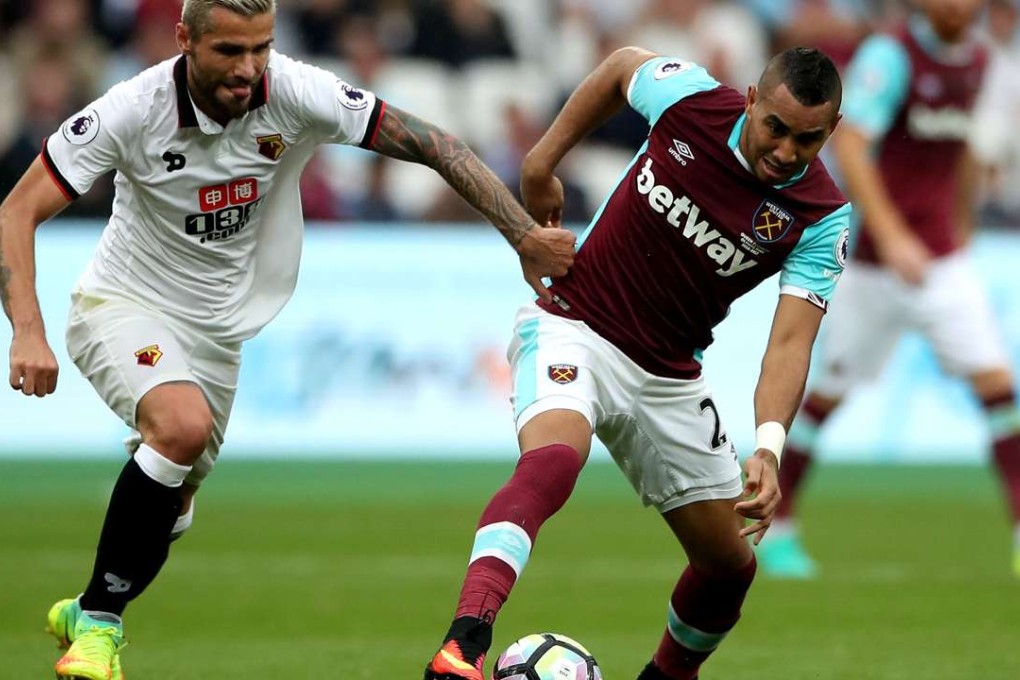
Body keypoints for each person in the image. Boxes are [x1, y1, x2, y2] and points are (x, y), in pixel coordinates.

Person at [0, 2, 577, 679]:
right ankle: (99, 630)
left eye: (261, 48)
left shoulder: (299, 91)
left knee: (174, 504)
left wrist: (520, 234)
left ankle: (91, 609)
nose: (248, 69)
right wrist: (27, 332)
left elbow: (434, 144)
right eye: (229, 52)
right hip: (124, 303)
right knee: (179, 430)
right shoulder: (132, 109)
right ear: (185, 39)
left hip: (218, 332)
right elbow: (17, 207)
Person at [423, 45, 849, 680]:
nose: (786, 151)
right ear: (752, 102)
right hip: (576, 324)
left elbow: (790, 342)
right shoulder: (693, 101)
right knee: (553, 462)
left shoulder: (820, 216)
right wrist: (541, 161)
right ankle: (463, 646)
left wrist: (767, 446)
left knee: (730, 566)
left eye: (807, 140)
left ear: (830, 132)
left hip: (670, 374)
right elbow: (622, 67)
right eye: (776, 129)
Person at [757, 0, 1020, 581]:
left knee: (998, 388)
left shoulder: (981, 61)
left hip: (941, 262)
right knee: (826, 396)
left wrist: (962, 229)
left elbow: (966, 156)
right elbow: (852, 145)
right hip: (877, 264)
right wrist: (894, 235)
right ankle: (778, 525)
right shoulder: (891, 55)